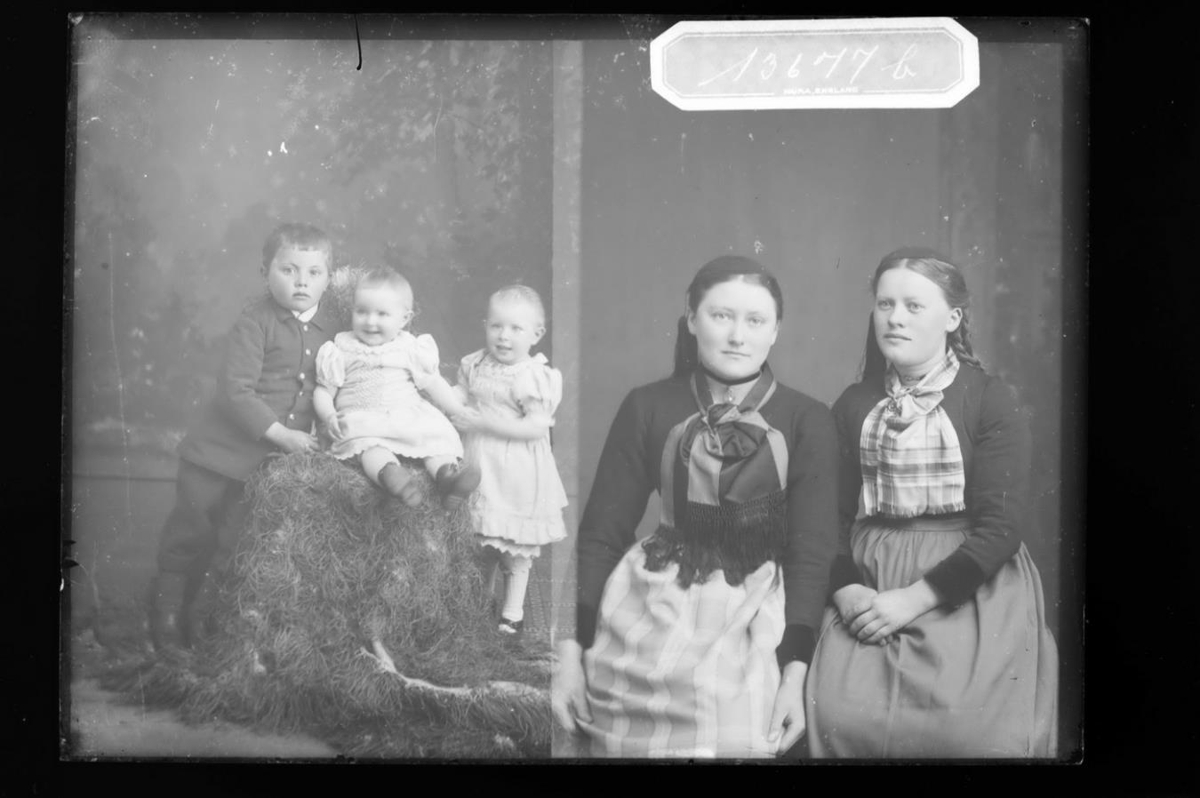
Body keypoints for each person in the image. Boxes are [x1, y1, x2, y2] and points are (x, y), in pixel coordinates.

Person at [551, 255, 839, 758]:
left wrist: (794, 676)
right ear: (691, 318)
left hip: (756, 608)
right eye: (720, 316)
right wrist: (568, 657)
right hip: (653, 602)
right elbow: (601, 533)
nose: (737, 336)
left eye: (756, 321)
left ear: (776, 331)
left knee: (738, 733)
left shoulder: (807, 418)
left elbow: (812, 552)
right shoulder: (647, 406)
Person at [805, 247, 1058, 758]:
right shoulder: (853, 404)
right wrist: (848, 590)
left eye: (913, 306)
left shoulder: (991, 399)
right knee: (835, 716)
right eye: (885, 304)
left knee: (967, 732)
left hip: (968, 582)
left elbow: (1001, 528)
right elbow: (826, 518)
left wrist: (911, 601)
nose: (895, 318)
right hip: (871, 576)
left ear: (953, 318)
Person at [147, 222, 340, 653]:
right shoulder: (255, 322)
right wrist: (283, 435)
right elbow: (236, 391)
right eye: (289, 270)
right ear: (265, 272)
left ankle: (203, 619)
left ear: (329, 279)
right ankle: (166, 614)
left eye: (314, 273)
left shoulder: (332, 333)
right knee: (191, 530)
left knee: (232, 541)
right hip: (215, 455)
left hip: (261, 467)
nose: (302, 282)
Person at [450, 285, 568, 638]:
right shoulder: (476, 363)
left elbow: (536, 427)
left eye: (516, 329)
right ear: (485, 326)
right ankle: (480, 603)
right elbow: (462, 394)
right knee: (481, 540)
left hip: (515, 470)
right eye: (497, 326)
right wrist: (443, 401)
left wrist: (483, 423)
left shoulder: (533, 375)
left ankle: (512, 614)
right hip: (480, 463)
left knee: (514, 549)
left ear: (536, 334)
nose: (504, 336)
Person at [312, 267, 480, 509]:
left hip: (407, 415)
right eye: (362, 311)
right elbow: (323, 391)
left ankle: (447, 475)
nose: (370, 321)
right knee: (370, 448)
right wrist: (328, 415)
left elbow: (433, 382)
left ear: (404, 319)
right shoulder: (340, 348)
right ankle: (392, 476)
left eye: (382, 314)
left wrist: (457, 409)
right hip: (364, 420)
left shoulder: (410, 347)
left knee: (434, 439)